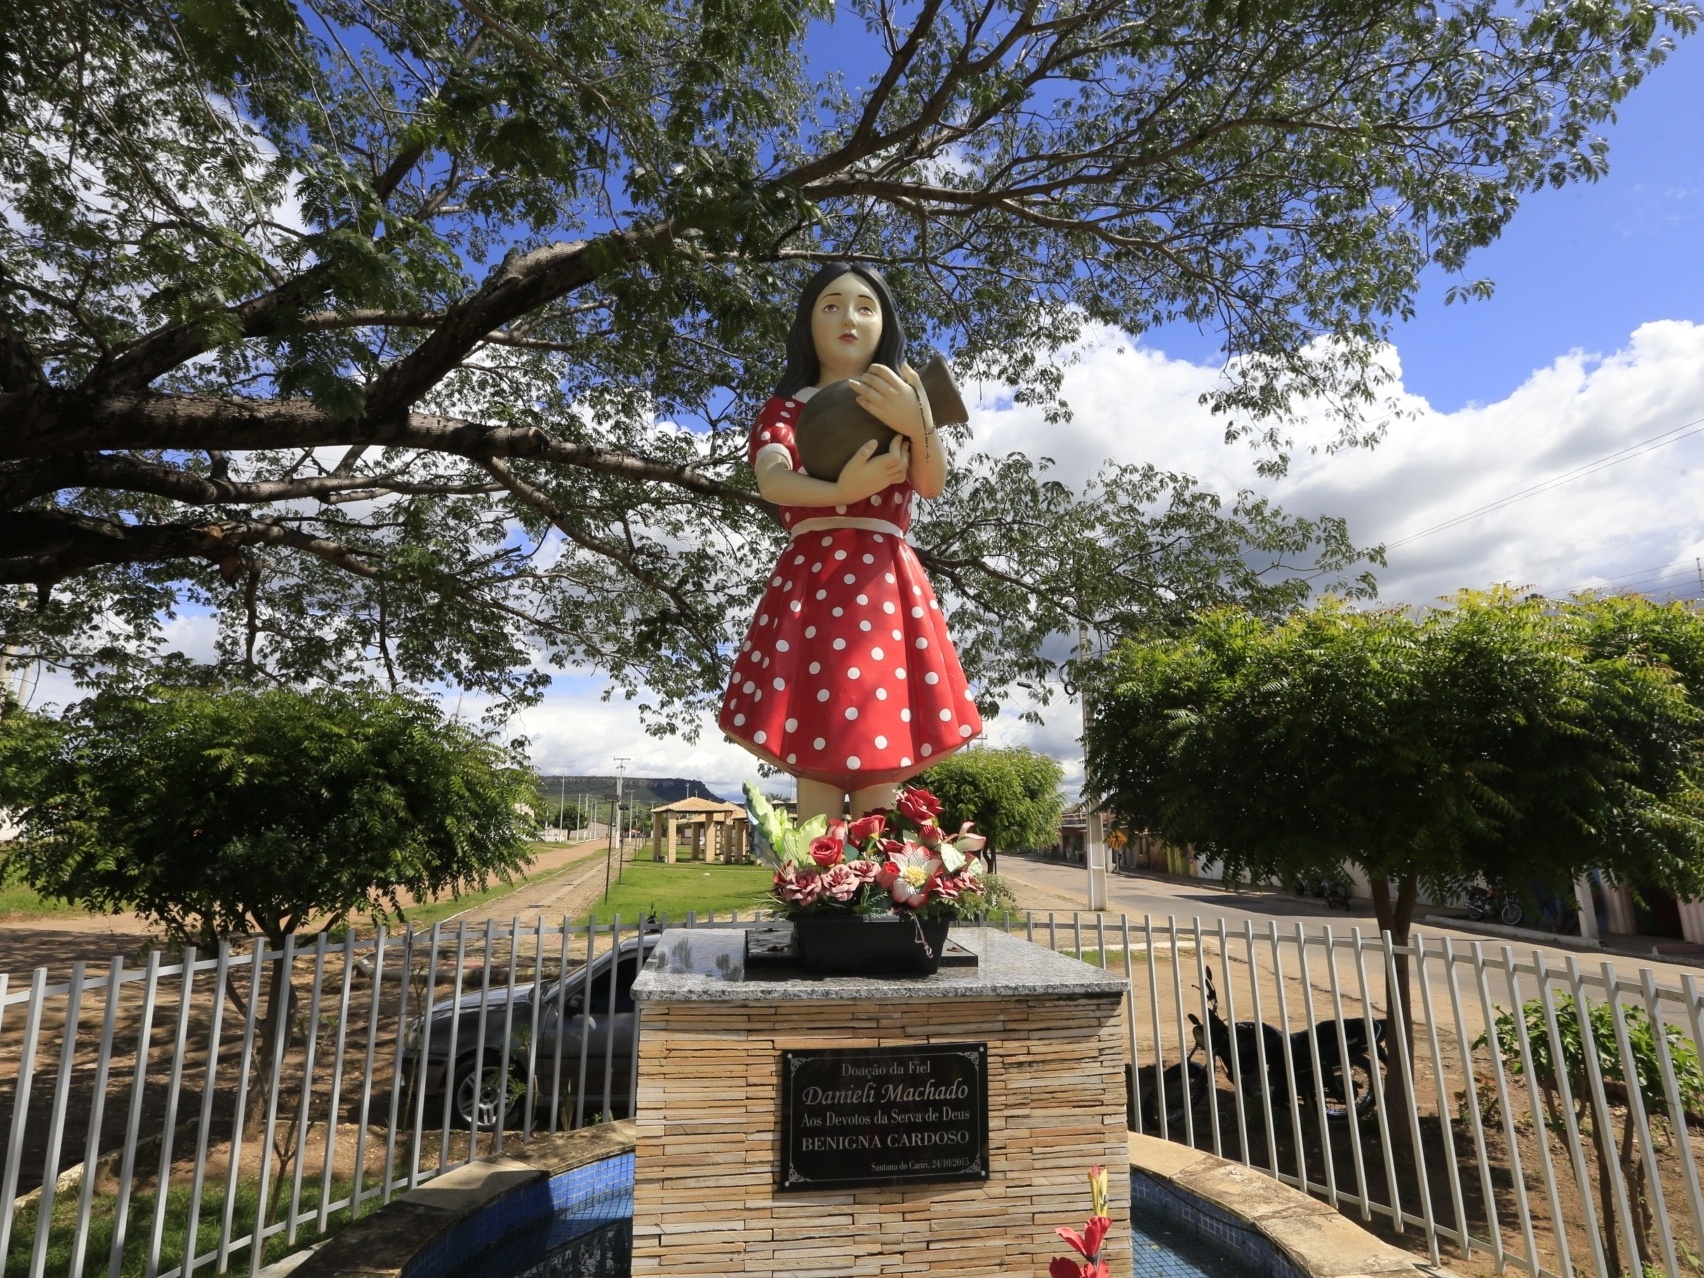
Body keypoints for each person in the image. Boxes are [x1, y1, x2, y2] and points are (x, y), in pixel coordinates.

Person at [717, 263, 983, 822]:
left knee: (878, 736)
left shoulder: (901, 397)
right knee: (815, 744)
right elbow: (772, 478)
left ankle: (876, 879)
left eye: (866, 307)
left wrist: (919, 422)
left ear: (883, 325)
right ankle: (816, 883)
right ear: (808, 323)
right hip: (814, 579)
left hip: (882, 579)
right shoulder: (786, 408)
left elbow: (931, 484)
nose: (849, 318)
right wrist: (841, 489)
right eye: (831, 305)